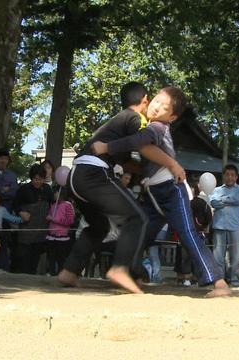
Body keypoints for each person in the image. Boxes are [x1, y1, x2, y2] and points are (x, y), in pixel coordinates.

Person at [91, 87, 230, 297]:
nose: (156, 107)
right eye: (156, 101)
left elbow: (136, 142)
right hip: (153, 193)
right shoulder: (150, 125)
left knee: (188, 233)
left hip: (171, 190)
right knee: (141, 231)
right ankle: (132, 274)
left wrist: (106, 147)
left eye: (164, 107)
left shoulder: (157, 128)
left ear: (172, 117)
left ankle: (218, 282)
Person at [58, 82, 186, 294]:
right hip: (93, 173)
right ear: (144, 100)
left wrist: (148, 173)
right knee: (138, 218)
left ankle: (69, 271)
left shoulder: (118, 123)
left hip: (76, 177)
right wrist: (172, 164)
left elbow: (130, 162)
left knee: (99, 227)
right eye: (152, 102)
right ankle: (121, 269)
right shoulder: (134, 118)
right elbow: (144, 146)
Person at [208, 165, 239, 287]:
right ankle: (220, 280)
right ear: (224, 176)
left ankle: (231, 277)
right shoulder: (216, 190)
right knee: (218, 255)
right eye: (227, 174)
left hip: (235, 226)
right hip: (219, 225)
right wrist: (229, 200)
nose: (229, 177)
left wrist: (223, 200)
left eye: (232, 175)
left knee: (235, 256)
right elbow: (213, 202)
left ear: (236, 177)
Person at [12, 164, 52, 274]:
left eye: (40, 179)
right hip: (26, 230)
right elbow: (15, 204)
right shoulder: (24, 189)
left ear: (44, 179)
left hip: (40, 230)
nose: (37, 182)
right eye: (35, 179)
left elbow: (52, 204)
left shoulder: (47, 189)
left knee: (35, 259)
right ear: (31, 178)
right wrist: (21, 212)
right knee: (23, 259)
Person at [46, 186, 75, 275]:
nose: (54, 194)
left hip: (62, 237)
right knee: (51, 258)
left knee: (61, 258)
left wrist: (53, 219)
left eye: (56, 192)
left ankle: (61, 275)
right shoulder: (53, 205)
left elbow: (70, 221)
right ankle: (51, 274)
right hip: (51, 236)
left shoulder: (68, 205)